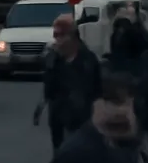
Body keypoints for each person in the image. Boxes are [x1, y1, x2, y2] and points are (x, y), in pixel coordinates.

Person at [36, 13, 103, 152]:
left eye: (61, 36)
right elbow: (49, 89)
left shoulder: (87, 60)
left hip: (82, 120)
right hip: (58, 119)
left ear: (73, 37)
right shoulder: (53, 59)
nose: (57, 40)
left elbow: (94, 90)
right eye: (55, 35)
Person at [105, 5, 148, 144]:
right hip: (126, 85)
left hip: (138, 85)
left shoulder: (139, 34)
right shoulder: (118, 33)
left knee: (140, 124)